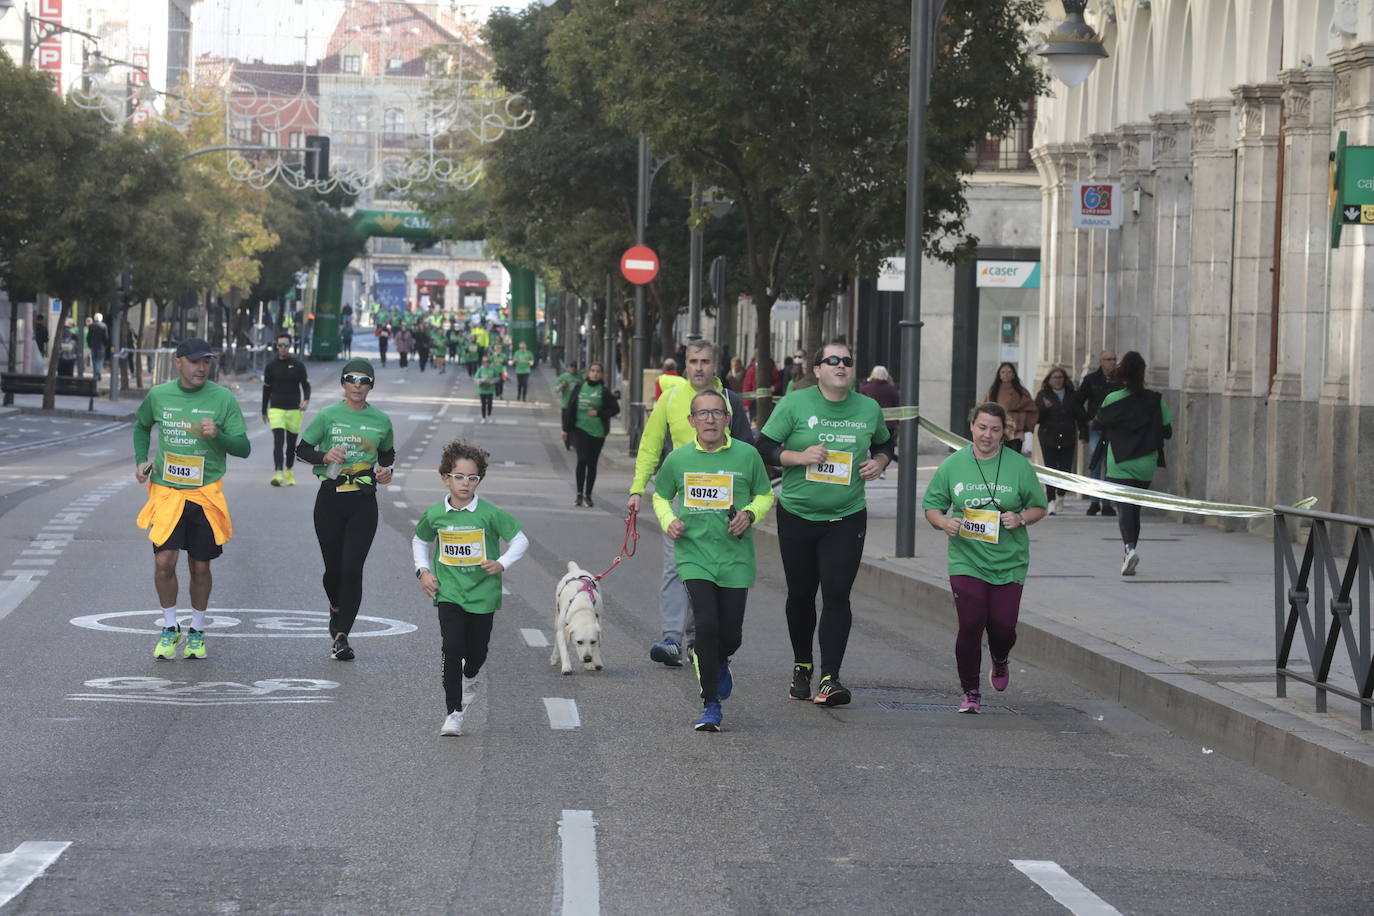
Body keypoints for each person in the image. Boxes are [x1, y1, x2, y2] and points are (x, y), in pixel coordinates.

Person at [757, 342, 894, 706]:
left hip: (846, 516)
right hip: (798, 514)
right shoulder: (795, 403)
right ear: (816, 369)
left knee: (836, 593)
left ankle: (830, 678)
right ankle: (803, 666)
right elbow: (764, 446)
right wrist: (798, 457)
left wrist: (879, 462)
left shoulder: (868, 408)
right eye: (832, 360)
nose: (840, 366)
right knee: (801, 595)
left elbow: (885, 444)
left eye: (847, 361)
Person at [652, 389, 774, 730]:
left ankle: (718, 660)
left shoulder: (747, 456)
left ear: (728, 419)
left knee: (730, 634)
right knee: (705, 625)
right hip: (694, 554)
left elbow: (766, 494)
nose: (709, 419)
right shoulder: (678, 459)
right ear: (691, 421)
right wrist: (668, 521)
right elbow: (661, 496)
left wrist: (749, 514)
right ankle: (711, 704)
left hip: (735, 557)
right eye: (702, 414)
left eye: (717, 413)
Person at [628, 339, 755, 667]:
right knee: (675, 568)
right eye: (694, 361)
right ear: (685, 365)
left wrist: (747, 506)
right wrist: (636, 489)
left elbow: (747, 455)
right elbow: (650, 445)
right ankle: (672, 637)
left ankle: (700, 638)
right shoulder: (670, 399)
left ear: (716, 366)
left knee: (710, 570)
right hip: (682, 503)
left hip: (723, 506)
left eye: (706, 362)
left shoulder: (729, 401)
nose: (699, 367)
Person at [922, 402, 1047, 713]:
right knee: (971, 623)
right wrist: (943, 522)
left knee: (1003, 628)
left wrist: (1020, 518)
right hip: (967, 559)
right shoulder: (953, 465)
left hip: (1010, 560)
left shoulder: (1019, 466)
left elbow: (1038, 507)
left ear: (1004, 431)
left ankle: (1000, 657)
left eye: (994, 429)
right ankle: (970, 691)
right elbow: (932, 507)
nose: (987, 435)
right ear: (971, 427)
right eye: (982, 428)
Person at [133, 338, 251, 661]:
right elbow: (142, 426)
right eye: (196, 361)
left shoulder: (222, 399)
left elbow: (244, 447)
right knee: (163, 563)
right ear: (178, 362)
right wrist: (141, 459)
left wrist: (219, 435)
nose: (202, 368)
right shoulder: (159, 395)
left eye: (207, 362)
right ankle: (170, 628)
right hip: (167, 492)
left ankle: (197, 631)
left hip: (204, 494)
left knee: (200, 566)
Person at [414, 440, 528, 736]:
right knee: (452, 648)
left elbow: (520, 540)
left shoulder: (489, 514)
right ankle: (454, 713)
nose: (465, 483)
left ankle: (471, 676)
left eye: (472, 478)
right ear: (445, 478)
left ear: (479, 480)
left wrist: (501, 563)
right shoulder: (436, 513)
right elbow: (419, 539)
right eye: (459, 477)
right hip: (449, 592)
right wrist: (423, 571)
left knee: (476, 653)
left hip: (483, 594)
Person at [295, 359, 396, 660]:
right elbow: (301, 451)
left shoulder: (381, 420)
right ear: (343, 383)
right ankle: (335, 606)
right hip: (329, 499)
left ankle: (342, 636)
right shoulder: (328, 416)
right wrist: (324, 456)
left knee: (352, 569)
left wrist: (386, 471)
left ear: (371, 386)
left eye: (364, 380)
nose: (357, 385)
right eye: (351, 379)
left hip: (363, 502)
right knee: (333, 572)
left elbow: (387, 455)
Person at [1092, 350, 1172, 577]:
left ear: (1123, 372)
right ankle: (1129, 552)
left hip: (1119, 460)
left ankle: (1129, 549)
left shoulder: (1112, 399)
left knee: (1124, 507)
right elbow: (1167, 431)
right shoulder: (1156, 400)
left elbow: (1097, 424)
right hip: (1146, 462)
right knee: (1134, 508)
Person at [562, 362, 620, 507]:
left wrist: (599, 413)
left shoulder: (604, 391)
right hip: (580, 429)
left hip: (598, 432)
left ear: (602, 374)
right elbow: (570, 408)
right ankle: (579, 494)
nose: (595, 373)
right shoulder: (580, 387)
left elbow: (615, 409)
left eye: (598, 371)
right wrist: (565, 429)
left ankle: (588, 495)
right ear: (587, 373)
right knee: (582, 459)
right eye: (592, 371)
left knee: (592, 463)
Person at [261, 332, 311, 487]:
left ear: (290, 346)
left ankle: (289, 471)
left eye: (286, 345)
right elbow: (266, 389)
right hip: (276, 409)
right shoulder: (270, 367)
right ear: (276, 346)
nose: (283, 348)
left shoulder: (298, 365)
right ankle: (278, 473)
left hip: (294, 410)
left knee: (291, 445)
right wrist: (264, 410)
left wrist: (305, 400)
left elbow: (305, 385)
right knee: (278, 441)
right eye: (280, 345)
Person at [1034, 366, 1084, 515]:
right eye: (1054, 377)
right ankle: (1050, 501)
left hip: (1068, 436)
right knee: (1050, 469)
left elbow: (1079, 414)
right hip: (1048, 436)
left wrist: (1084, 432)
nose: (1057, 380)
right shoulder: (1043, 395)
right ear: (1049, 380)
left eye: (1060, 377)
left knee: (1065, 469)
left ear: (1064, 379)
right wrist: (1045, 408)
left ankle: (1060, 495)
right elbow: (1037, 417)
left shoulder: (1072, 395)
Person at [1078, 349, 1121, 516]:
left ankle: (1107, 502)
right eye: (1108, 359)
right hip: (1096, 427)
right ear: (1101, 361)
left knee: (1110, 465)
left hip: (1114, 429)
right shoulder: (1091, 380)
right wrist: (1087, 420)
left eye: (1114, 359)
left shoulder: (1120, 381)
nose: (1111, 362)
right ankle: (1094, 501)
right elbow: (1077, 402)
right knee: (1095, 463)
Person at [983, 362, 1037, 455]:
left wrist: (1023, 424)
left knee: (1013, 458)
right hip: (997, 430)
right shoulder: (992, 392)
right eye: (1003, 372)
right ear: (999, 375)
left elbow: (1032, 409)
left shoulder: (1021, 391)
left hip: (1016, 432)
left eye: (1009, 372)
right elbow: (984, 409)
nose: (1006, 374)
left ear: (1013, 375)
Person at [859, 365, 900, 438]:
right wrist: (896, 422)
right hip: (889, 424)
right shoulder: (892, 389)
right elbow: (896, 404)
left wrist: (866, 381)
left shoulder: (866, 388)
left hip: (871, 422)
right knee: (888, 445)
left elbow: (861, 404)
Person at [474, 355, 501, 423]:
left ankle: (489, 416)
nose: (485, 363)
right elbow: (475, 379)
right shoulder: (480, 369)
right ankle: (483, 417)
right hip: (482, 389)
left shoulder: (493, 369)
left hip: (490, 389)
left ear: (489, 362)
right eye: (483, 362)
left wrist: (492, 381)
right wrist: (481, 380)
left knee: (489, 403)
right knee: (483, 404)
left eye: (487, 362)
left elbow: (497, 378)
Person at [87, 313, 110, 383]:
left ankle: (95, 374)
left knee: (94, 360)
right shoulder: (104, 326)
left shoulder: (91, 326)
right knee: (100, 359)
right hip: (101, 345)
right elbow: (106, 337)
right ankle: (98, 371)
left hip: (93, 345)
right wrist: (106, 344)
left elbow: (88, 337)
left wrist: (89, 344)